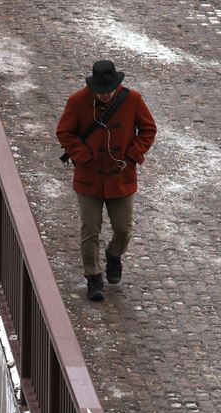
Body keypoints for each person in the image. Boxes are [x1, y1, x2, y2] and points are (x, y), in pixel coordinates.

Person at [56, 60, 157, 301]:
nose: (105, 96)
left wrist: (133, 156)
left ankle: (114, 255)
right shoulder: (77, 101)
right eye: (100, 92)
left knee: (123, 229)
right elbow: (64, 132)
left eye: (108, 91)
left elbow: (148, 129)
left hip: (121, 178)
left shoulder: (133, 100)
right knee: (90, 230)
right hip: (88, 179)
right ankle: (93, 277)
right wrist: (83, 157)